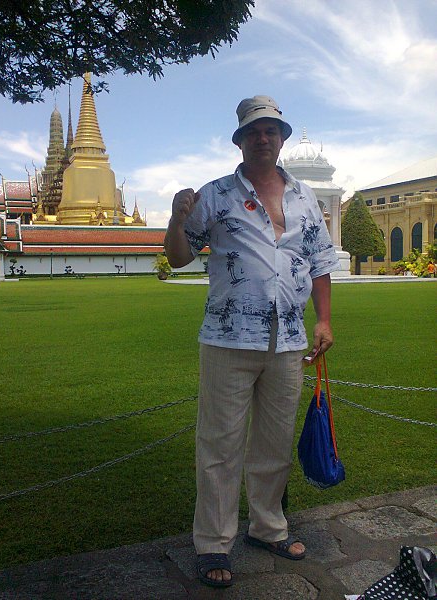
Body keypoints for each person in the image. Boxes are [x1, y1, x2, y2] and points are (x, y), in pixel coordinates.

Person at [164, 96, 341, 588]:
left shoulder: (304, 197)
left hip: (288, 338)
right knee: (219, 445)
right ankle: (213, 543)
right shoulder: (215, 195)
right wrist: (177, 221)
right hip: (228, 338)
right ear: (240, 140)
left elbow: (320, 262)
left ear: (281, 139)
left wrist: (324, 321)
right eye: (254, 131)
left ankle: (268, 527)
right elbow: (178, 257)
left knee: (274, 442)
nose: (263, 138)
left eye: (271, 131)